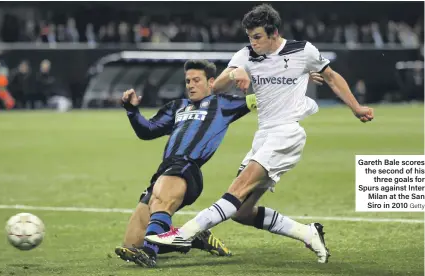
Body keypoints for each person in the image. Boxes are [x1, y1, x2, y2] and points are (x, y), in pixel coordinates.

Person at [145, 4, 374, 265]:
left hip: (287, 133)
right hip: (263, 136)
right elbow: (216, 87)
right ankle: (307, 232)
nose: (252, 43)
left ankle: (183, 234)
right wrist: (235, 71)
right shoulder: (246, 55)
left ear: (274, 33)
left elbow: (331, 77)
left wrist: (356, 107)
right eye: (249, 37)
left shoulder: (303, 51)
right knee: (242, 212)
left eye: (257, 37)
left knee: (237, 189)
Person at [116, 59, 324, 268]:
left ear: (211, 82)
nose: (190, 85)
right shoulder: (176, 107)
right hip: (164, 171)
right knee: (132, 242)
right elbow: (148, 131)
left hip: (187, 167)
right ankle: (195, 238)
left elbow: (268, 96)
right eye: (188, 80)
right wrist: (132, 110)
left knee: (161, 204)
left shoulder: (224, 103)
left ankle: (150, 255)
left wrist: (300, 76)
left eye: (197, 80)